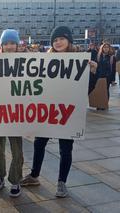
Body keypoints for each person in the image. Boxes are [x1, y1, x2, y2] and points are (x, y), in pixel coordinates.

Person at [20, 26, 97, 198]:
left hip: (66, 112)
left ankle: (62, 182)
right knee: (39, 143)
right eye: (55, 40)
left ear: (69, 40)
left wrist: (92, 72)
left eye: (61, 38)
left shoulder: (79, 60)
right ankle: (34, 175)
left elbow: (87, 89)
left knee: (65, 149)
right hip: (47, 111)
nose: (58, 42)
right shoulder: (45, 61)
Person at [0, 29, 24, 197]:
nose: (9, 46)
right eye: (6, 43)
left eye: (12, 43)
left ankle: (15, 180)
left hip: (17, 113)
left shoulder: (26, 62)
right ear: (2, 45)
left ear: (17, 45)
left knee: (17, 149)